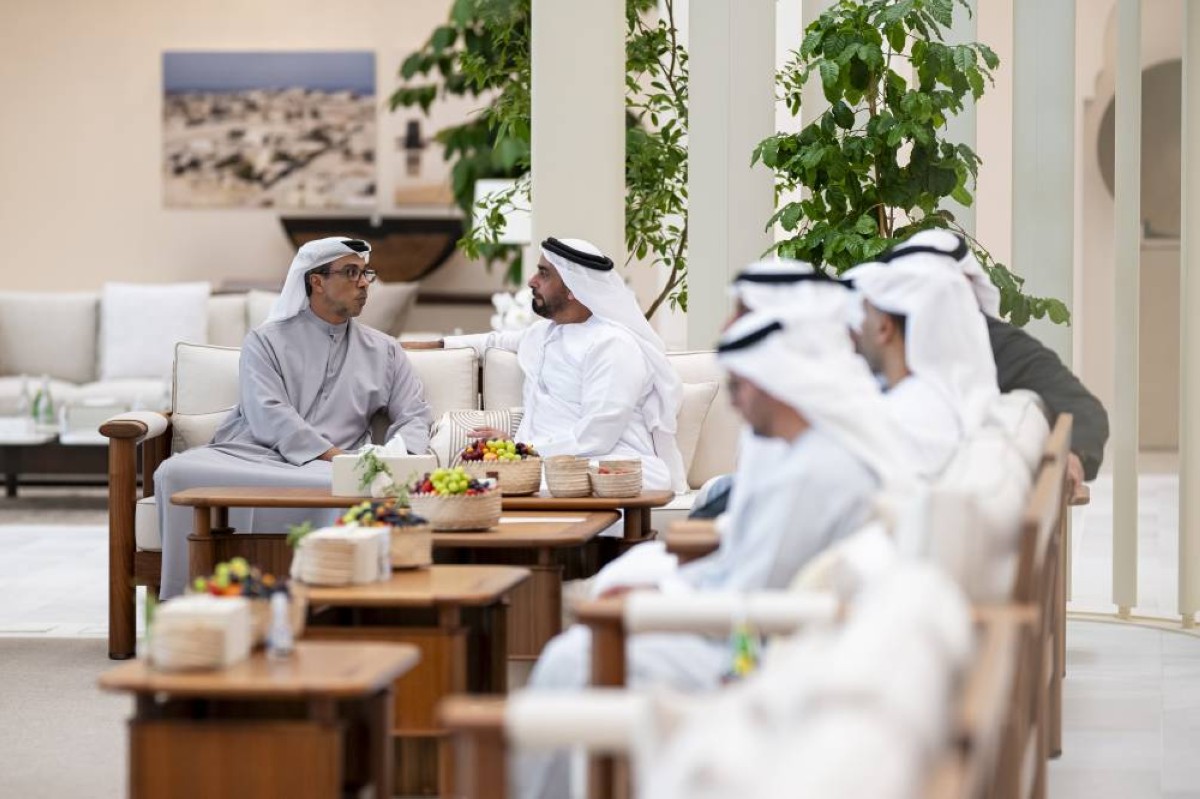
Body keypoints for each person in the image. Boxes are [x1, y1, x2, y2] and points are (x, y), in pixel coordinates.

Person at [514, 306, 911, 799]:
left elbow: (754, 592)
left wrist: (658, 600)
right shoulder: (804, 454)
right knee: (575, 650)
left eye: (739, 387)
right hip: (742, 625)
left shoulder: (816, 472)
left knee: (570, 661)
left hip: (752, 657)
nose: (735, 404)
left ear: (774, 384)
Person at [154, 237, 433, 598]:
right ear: (316, 281)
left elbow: (415, 414)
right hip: (252, 456)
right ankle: (188, 603)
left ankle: (329, 595)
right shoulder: (265, 341)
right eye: (351, 273)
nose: (364, 284)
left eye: (366, 274)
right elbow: (267, 412)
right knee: (175, 473)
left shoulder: (385, 350)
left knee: (358, 485)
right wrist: (337, 458)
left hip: (332, 469)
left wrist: (396, 459)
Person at [443, 237, 686, 491]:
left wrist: (522, 450)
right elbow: (492, 341)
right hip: (542, 463)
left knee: (498, 485)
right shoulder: (543, 333)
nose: (531, 281)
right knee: (481, 483)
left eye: (543, 274)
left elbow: (597, 435)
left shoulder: (613, 345)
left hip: (608, 464)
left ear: (573, 288)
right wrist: (436, 344)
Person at [882, 229, 1110, 497]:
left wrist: (1074, 456)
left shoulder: (995, 341)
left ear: (968, 286)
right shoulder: (881, 339)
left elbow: (1082, 407)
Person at [846, 245, 999, 478]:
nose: (859, 328)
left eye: (865, 314)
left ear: (884, 328)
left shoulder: (905, 417)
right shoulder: (935, 397)